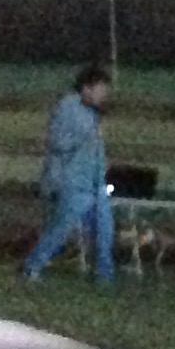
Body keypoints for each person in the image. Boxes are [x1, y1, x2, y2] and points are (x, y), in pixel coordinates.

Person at [22, 63, 117, 282]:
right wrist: (82, 139)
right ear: (87, 88)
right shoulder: (68, 107)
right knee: (62, 229)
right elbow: (57, 142)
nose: (104, 95)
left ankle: (105, 275)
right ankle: (32, 266)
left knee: (105, 229)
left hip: (95, 181)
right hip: (73, 181)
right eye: (101, 89)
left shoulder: (93, 113)